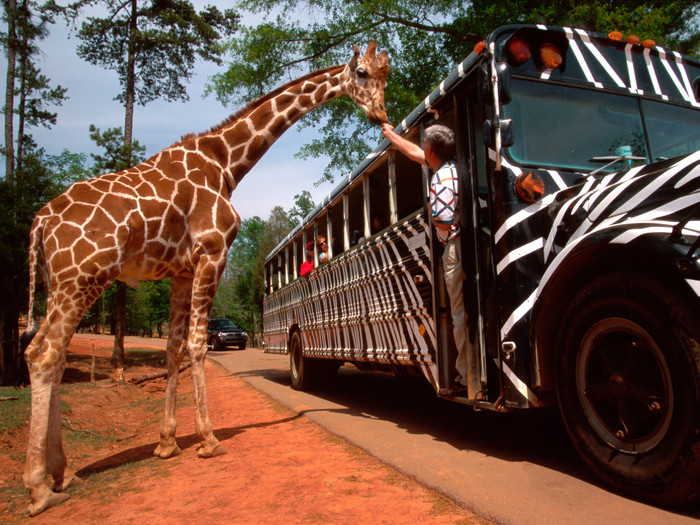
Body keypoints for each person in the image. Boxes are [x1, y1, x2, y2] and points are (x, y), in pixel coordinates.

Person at [382, 122, 472, 397]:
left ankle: (467, 377)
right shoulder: (454, 167)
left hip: (454, 245)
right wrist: (390, 134)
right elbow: (413, 152)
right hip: (466, 241)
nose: (421, 149)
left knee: (458, 314)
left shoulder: (440, 178)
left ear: (430, 149)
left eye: (424, 146)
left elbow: (443, 219)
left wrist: (433, 221)